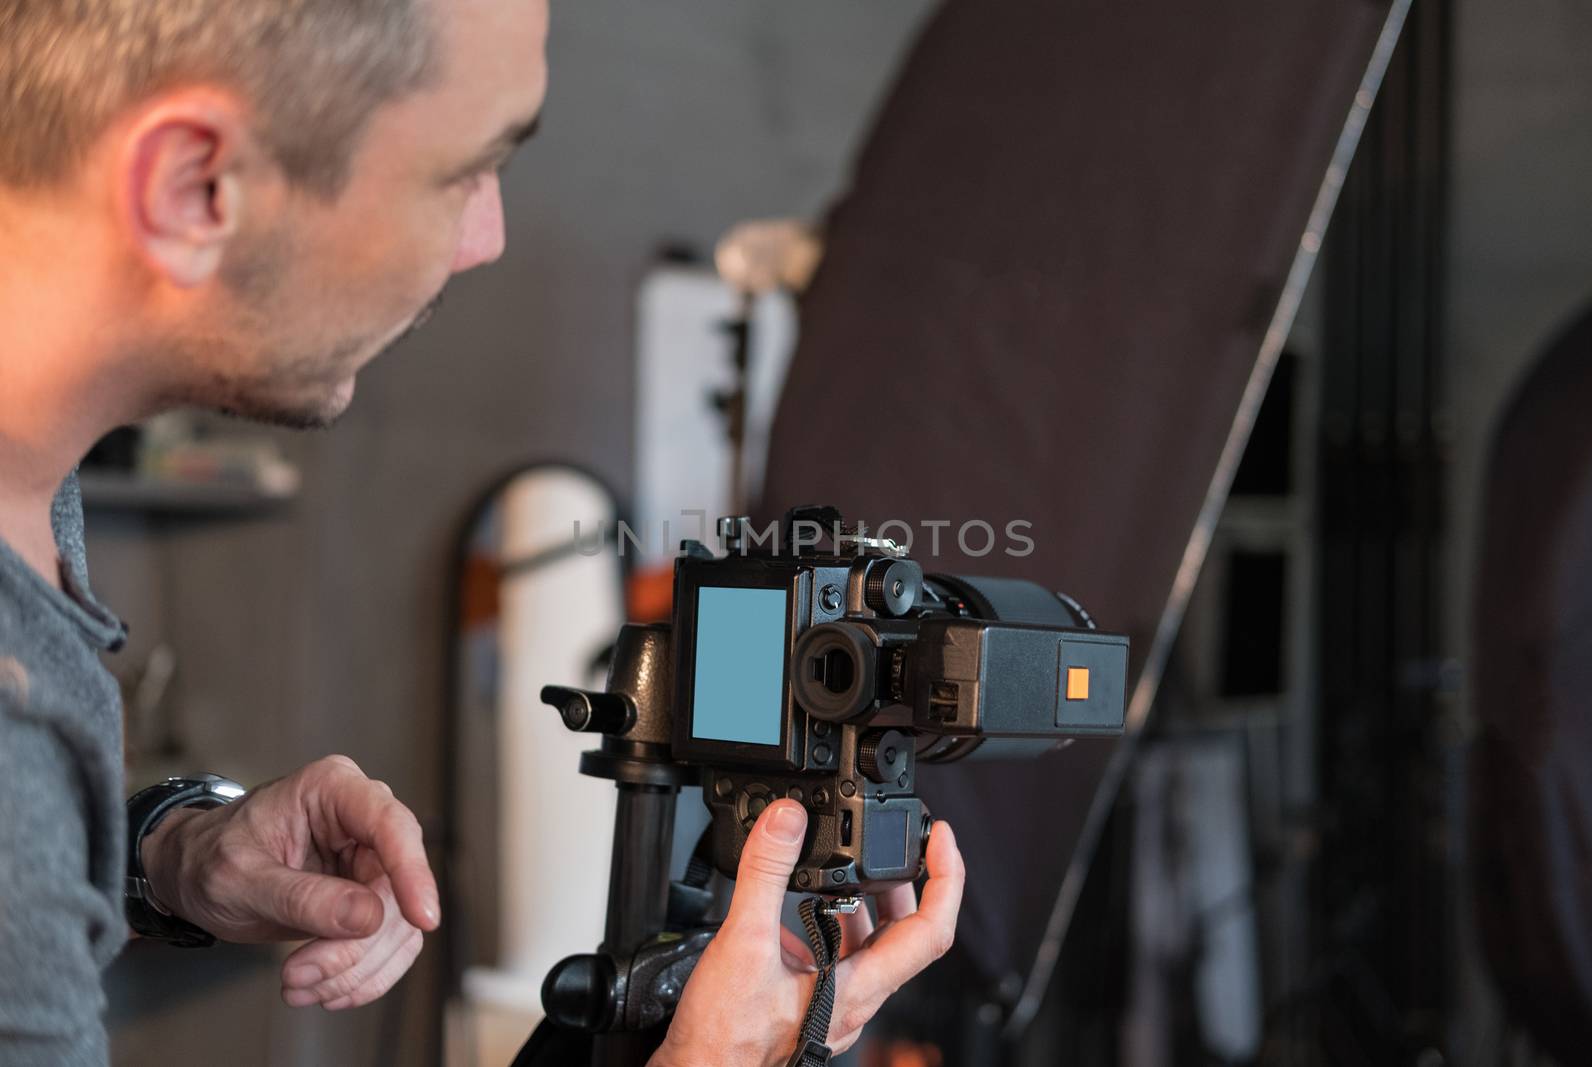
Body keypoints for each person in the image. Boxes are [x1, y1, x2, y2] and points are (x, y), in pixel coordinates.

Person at [0, 1, 965, 1064]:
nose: (486, 238)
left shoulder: (31, 490)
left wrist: (175, 852)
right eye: (461, 173)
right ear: (195, 185)